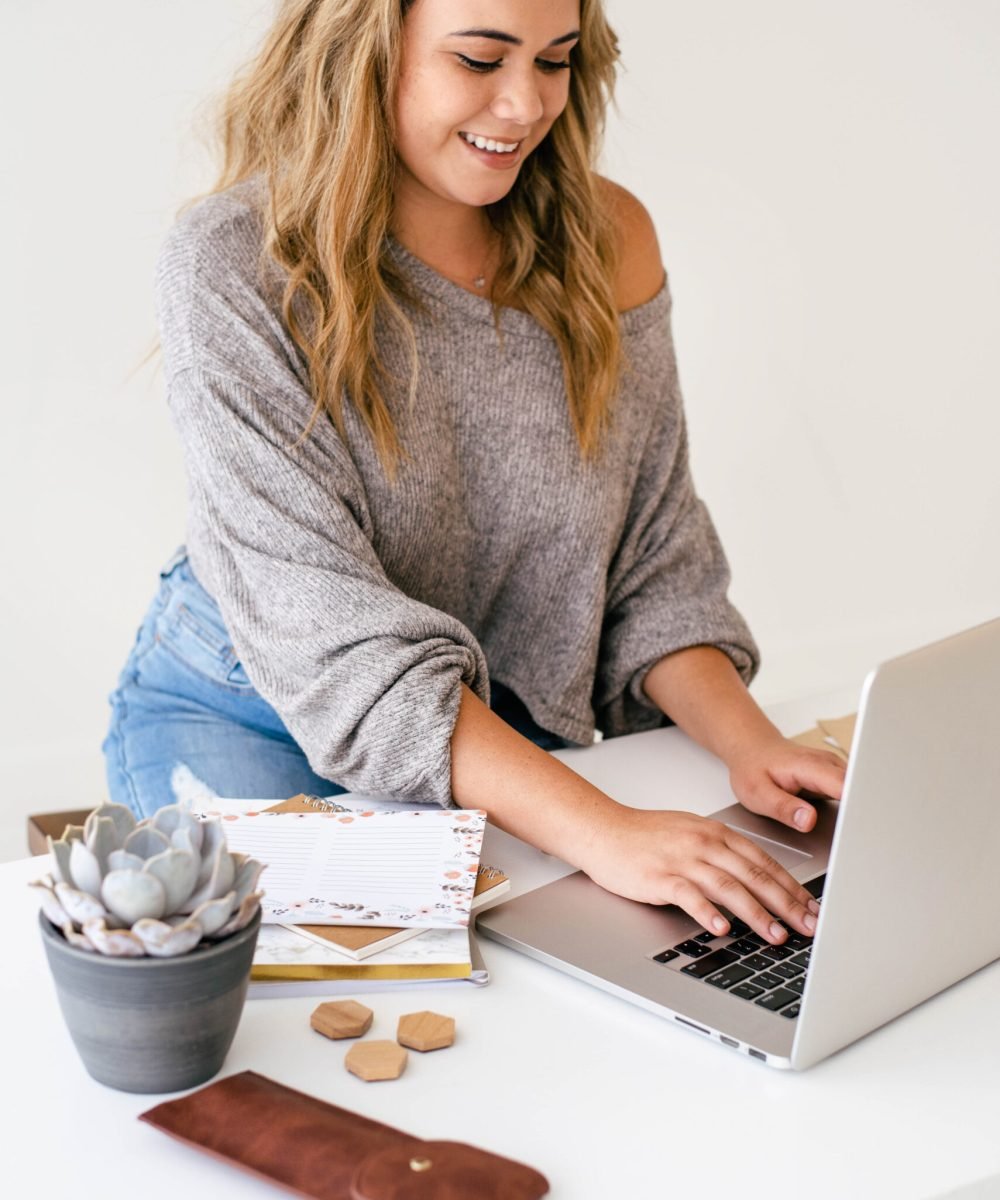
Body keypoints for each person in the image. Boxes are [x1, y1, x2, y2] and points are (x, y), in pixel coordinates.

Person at [103, 0, 845, 947]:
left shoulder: (609, 243)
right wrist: (606, 831)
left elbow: (652, 559)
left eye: (555, 60)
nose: (525, 104)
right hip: (255, 712)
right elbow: (336, 646)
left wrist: (757, 750)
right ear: (362, 51)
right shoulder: (237, 263)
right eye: (481, 58)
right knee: (306, 1009)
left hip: (495, 727)